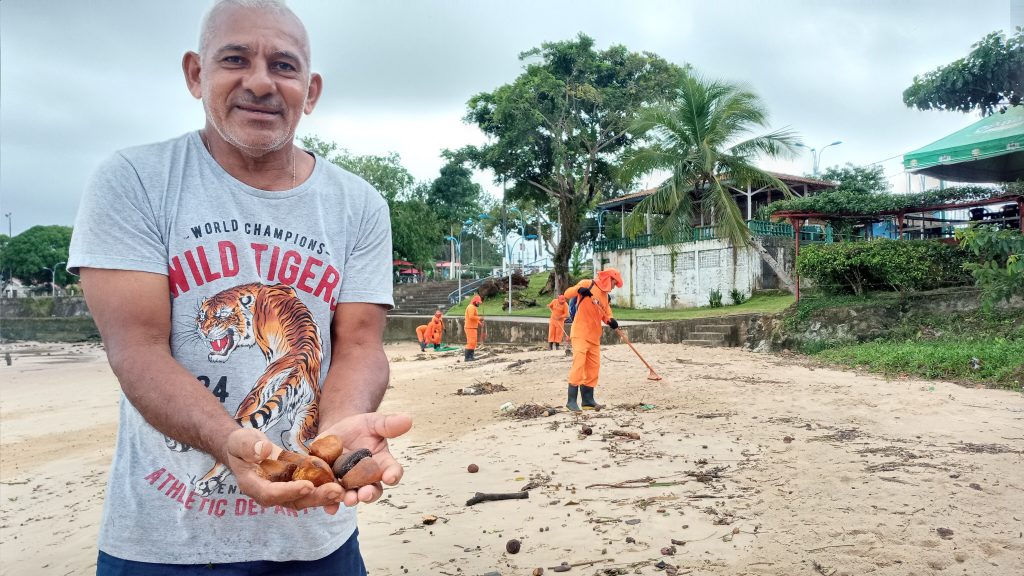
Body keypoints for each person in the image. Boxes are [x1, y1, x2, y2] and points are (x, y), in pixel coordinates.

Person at [66, 1, 412, 573]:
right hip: (164, 542)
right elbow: (137, 348)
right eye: (235, 59)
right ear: (195, 74)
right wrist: (229, 439)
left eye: (283, 65)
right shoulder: (133, 182)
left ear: (311, 87)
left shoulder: (359, 205)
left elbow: (357, 345)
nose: (260, 82)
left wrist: (339, 432)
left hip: (317, 536)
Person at [562, 268, 623, 412]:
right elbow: (566, 294)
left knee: (593, 368)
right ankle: (571, 402)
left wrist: (611, 321)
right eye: (614, 282)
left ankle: (588, 401)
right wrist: (579, 290)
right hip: (580, 333)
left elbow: (606, 313)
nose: (614, 286)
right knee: (579, 365)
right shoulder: (587, 283)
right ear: (609, 278)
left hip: (595, 336)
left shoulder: (605, 296)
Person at [463, 294, 484, 361]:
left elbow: (474, 318)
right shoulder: (471, 307)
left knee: (473, 342)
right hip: (469, 328)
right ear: (475, 301)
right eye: (478, 302)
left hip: (473, 327)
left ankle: (471, 357)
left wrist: (480, 323)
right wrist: (479, 318)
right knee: (471, 342)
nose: (479, 304)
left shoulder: (473, 307)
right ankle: (467, 357)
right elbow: (471, 317)